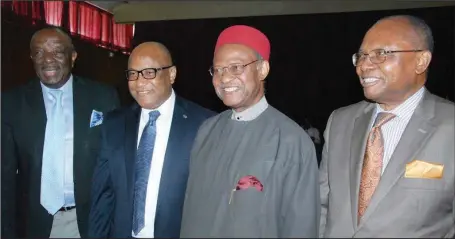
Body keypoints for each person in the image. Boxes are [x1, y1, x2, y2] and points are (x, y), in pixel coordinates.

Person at [319, 15, 454, 237]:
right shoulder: (340, 122)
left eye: (381, 54)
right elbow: (322, 205)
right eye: (361, 56)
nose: (364, 65)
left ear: (421, 61)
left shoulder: (449, 126)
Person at [180, 25, 320, 238]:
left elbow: (301, 227)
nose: (224, 78)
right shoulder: (207, 131)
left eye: (236, 67)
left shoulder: (292, 141)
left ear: (262, 69)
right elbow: (191, 211)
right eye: (217, 69)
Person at [1, 26, 120, 238]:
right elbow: (5, 176)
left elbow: (115, 166)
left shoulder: (103, 97)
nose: (47, 59)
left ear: (72, 56)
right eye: (38, 52)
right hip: (34, 223)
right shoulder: (11, 103)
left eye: (57, 51)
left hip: (88, 221)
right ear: (31, 58)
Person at [89, 42, 215, 238]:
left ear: (171, 74)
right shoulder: (114, 124)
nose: (139, 82)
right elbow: (103, 197)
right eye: (133, 74)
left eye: (149, 72)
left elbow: (211, 203)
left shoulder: (204, 125)